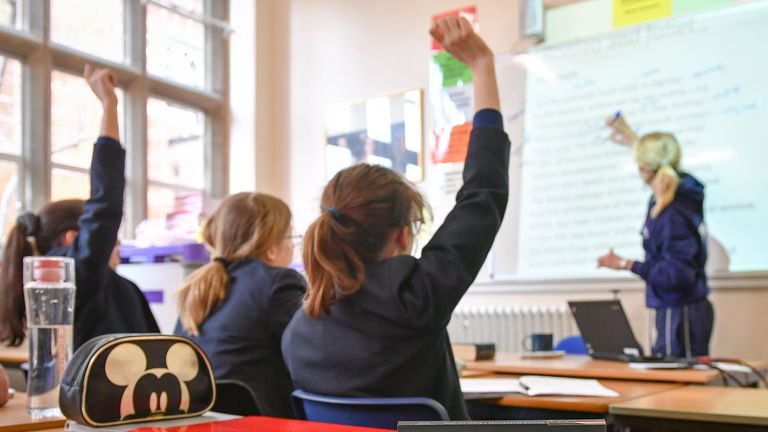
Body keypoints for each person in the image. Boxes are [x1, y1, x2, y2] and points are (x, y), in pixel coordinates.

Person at [281, 16, 509, 420]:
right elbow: (483, 193)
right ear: (402, 237)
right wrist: (482, 65)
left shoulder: (298, 331)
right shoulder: (416, 298)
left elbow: (481, 196)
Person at [0, 66, 159, 349]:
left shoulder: (116, 287)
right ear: (73, 237)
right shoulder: (72, 276)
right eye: (111, 237)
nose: (117, 242)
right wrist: (110, 105)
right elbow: (105, 202)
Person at [174, 193, 306, 418]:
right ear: (271, 249)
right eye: (291, 237)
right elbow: (307, 356)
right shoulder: (279, 282)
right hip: (263, 422)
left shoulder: (197, 288)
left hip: (206, 419)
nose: (293, 247)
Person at [598, 114, 714, 358]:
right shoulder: (674, 197)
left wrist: (625, 264)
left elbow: (676, 274)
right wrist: (630, 136)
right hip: (674, 308)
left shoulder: (673, 210)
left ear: (643, 168)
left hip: (680, 311)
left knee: (678, 388)